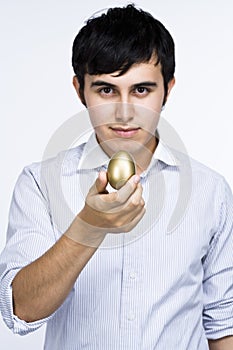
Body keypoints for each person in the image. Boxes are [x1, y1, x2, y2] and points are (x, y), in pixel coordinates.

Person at [0, 4, 233, 349]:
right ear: (80, 90)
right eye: (106, 90)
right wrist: (89, 226)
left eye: (141, 90)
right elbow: (21, 312)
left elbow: (222, 322)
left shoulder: (209, 191)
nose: (125, 113)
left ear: (167, 89)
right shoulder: (40, 183)